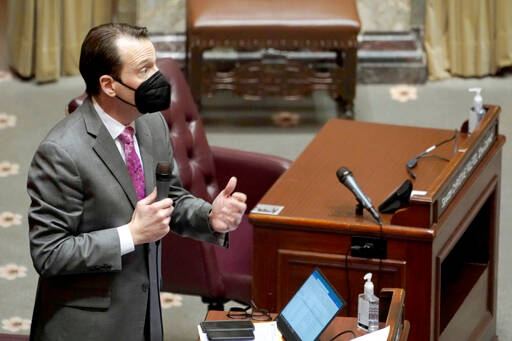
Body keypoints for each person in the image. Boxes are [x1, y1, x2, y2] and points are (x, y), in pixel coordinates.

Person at [26, 23, 247, 341]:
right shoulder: (60, 153)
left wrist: (210, 216)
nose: (159, 78)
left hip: (145, 315)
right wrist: (130, 235)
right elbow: (49, 253)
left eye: (156, 65)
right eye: (145, 70)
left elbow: (169, 197)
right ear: (109, 85)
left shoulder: (152, 124)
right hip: (88, 329)